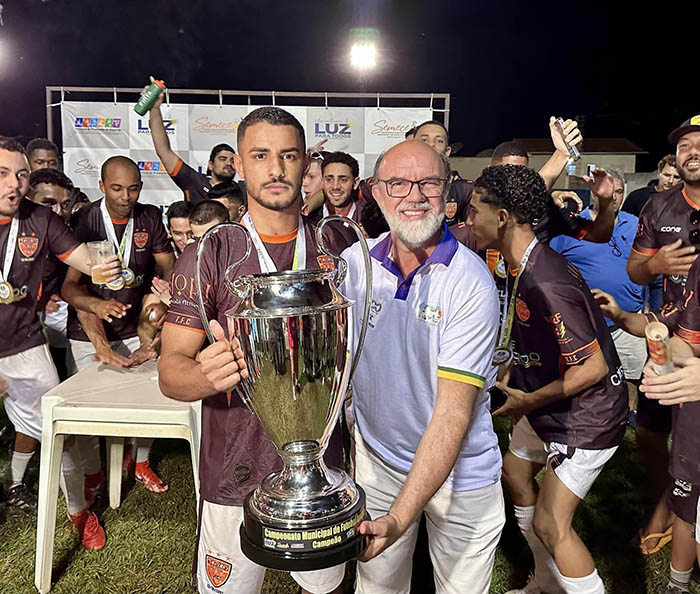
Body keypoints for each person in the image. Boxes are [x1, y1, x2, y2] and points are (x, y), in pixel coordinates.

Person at [159, 106, 350, 594]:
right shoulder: (210, 252)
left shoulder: (339, 248)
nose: (276, 168)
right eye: (260, 155)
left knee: (324, 588)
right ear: (239, 165)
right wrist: (207, 374)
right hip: (234, 467)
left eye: (289, 155)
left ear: (306, 163)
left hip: (324, 468)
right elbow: (171, 372)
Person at [341, 140, 504, 594]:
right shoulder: (355, 265)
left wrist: (398, 517)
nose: (414, 195)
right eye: (397, 183)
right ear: (375, 193)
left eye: (428, 182)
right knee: (377, 587)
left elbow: (453, 413)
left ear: (448, 191)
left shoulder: (470, 281)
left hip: (461, 476)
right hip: (380, 463)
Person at [468, 165, 627, 594]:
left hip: (586, 418)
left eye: (474, 210)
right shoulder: (522, 261)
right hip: (546, 404)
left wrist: (529, 399)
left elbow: (592, 368)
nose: (468, 219)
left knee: (551, 523)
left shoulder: (547, 280)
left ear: (502, 217)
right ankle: (547, 583)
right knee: (515, 474)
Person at [0, 136, 120, 548]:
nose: (13, 184)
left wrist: (103, 268)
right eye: (2, 174)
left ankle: (78, 513)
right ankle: (14, 484)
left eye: (19, 174)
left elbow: (84, 261)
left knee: (60, 429)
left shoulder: (39, 219)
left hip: (24, 345)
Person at [62, 155, 175, 495]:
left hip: (133, 326)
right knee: (83, 414)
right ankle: (94, 472)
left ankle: (140, 461)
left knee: (150, 401)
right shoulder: (85, 220)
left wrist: (165, 293)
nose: (126, 197)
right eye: (116, 188)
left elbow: (168, 268)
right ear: (100, 187)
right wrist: (95, 304)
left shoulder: (150, 216)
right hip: (88, 330)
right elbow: (69, 287)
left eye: (133, 189)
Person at [625, 115, 700, 554]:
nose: (693, 152)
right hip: (668, 342)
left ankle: (684, 512)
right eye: (686, 145)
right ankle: (670, 502)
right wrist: (654, 266)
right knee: (651, 433)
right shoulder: (660, 206)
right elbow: (635, 268)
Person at [550, 168, 647, 403]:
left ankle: (628, 415)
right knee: (585, 377)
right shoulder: (571, 227)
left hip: (628, 321)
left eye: (619, 192)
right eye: (609, 191)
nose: (614, 197)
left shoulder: (637, 226)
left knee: (631, 376)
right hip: (584, 324)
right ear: (594, 192)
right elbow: (550, 271)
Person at [144, 83, 240, 204]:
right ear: (210, 165)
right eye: (223, 159)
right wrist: (154, 108)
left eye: (232, 161)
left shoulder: (241, 190)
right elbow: (164, 151)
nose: (228, 163)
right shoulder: (194, 182)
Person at [319, 151, 362, 222]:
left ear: (355, 183)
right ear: (322, 181)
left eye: (343, 180)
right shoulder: (309, 219)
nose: (335, 186)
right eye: (329, 179)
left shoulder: (369, 219)